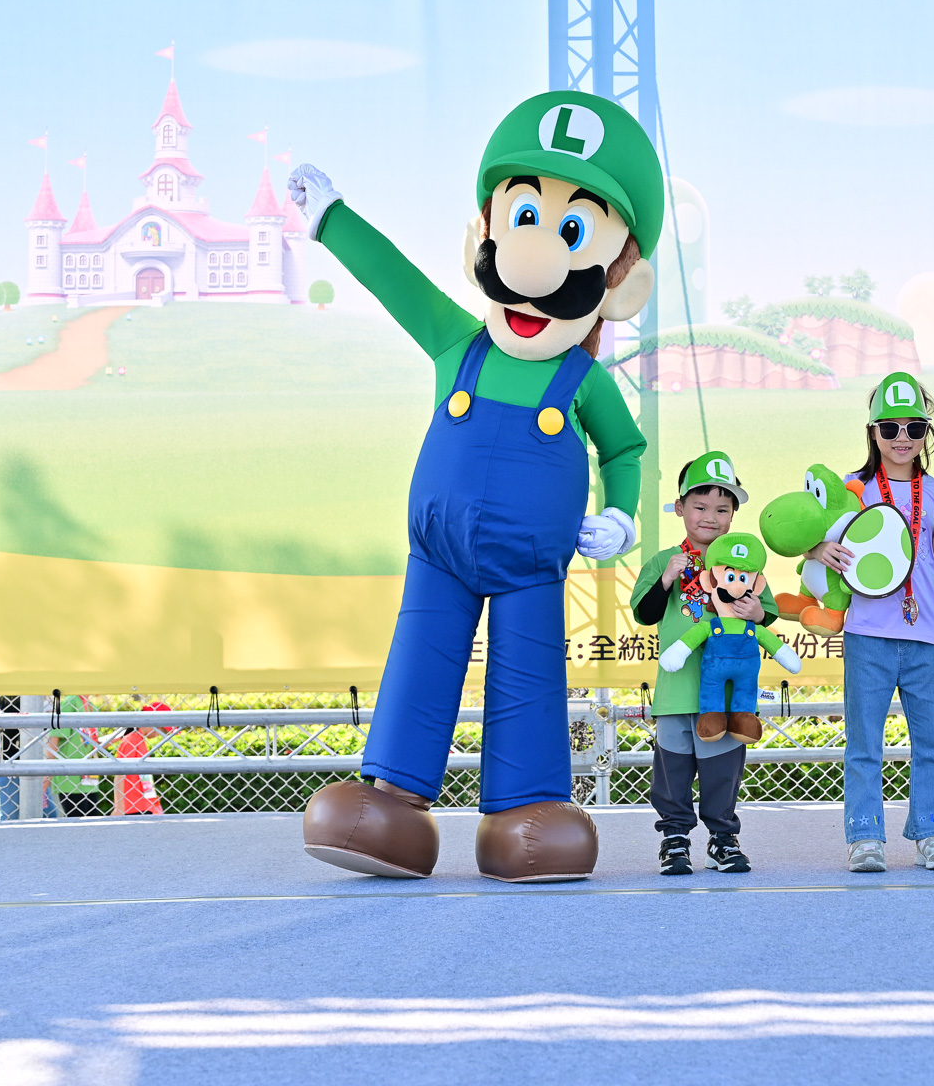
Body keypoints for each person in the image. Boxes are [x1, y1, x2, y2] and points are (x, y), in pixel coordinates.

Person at [290, 90, 664, 883]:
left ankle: (525, 811)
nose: (533, 266)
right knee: (420, 663)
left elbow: (625, 448)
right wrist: (332, 220)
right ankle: (390, 800)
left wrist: (622, 515)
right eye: (522, 219)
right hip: (439, 555)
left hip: (532, 566)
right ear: (484, 239)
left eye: (572, 233)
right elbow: (394, 280)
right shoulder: (457, 343)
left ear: (620, 283)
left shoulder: (583, 379)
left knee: (529, 675)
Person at [814, 373, 934, 873]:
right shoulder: (851, 488)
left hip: (928, 632)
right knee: (864, 743)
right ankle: (865, 839)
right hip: (868, 633)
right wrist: (820, 548)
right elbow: (812, 543)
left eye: (914, 428)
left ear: (926, 433)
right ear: (873, 432)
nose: (902, 437)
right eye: (890, 428)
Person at [630, 455, 777, 876]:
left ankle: (722, 839)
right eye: (700, 506)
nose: (710, 517)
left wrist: (755, 612)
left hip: (726, 696)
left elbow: (766, 614)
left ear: (733, 515)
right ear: (680, 508)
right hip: (676, 690)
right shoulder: (664, 560)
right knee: (672, 770)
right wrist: (666, 579)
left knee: (721, 771)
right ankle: (674, 840)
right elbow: (645, 613)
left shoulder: (745, 565)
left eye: (722, 509)